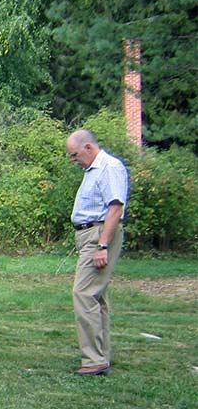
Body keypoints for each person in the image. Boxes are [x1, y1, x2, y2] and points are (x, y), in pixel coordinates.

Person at [65, 129, 129, 376]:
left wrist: (102, 245)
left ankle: (93, 359)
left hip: (99, 235)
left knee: (83, 294)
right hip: (89, 235)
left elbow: (115, 208)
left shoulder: (109, 167)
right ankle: (100, 355)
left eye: (74, 155)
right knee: (96, 297)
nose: (73, 160)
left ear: (88, 147)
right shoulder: (93, 170)